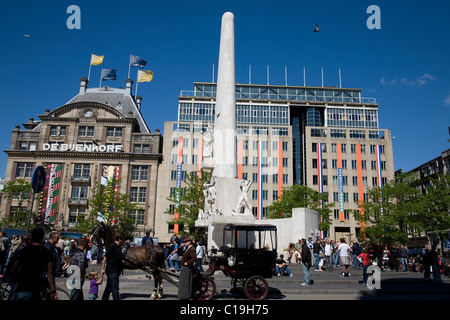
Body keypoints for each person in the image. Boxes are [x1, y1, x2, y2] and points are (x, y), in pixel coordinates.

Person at [11, 228, 58, 300]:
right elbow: (50, 272)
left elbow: (14, 268)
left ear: (32, 237)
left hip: (22, 286)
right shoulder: (47, 253)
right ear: (42, 238)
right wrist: (53, 290)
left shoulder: (24, 251)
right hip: (36, 287)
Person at [101, 234, 125, 300]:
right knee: (115, 289)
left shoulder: (119, 246)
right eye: (123, 240)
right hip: (112, 270)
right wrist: (102, 269)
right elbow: (105, 257)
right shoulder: (112, 246)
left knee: (108, 288)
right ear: (119, 239)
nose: (123, 242)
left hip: (116, 270)